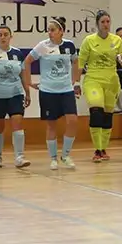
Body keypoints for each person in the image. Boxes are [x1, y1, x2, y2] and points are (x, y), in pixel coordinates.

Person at [24, 17, 81, 170]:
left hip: (66, 90)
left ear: (61, 31)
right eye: (48, 30)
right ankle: (54, 158)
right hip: (48, 91)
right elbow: (27, 61)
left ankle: (66, 155)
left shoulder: (69, 46)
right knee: (51, 125)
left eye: (53, 30)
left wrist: (75, 80)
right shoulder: (42, 46)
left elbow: (76, 61)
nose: (50, 33)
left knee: (73, 121)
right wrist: (29, 82)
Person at [79, 10, 122, 162]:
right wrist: (74, 83)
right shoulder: (89, 41)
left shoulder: (117, 40)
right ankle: (97, 149)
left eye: (108, 22)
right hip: (93, 79)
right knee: (96, 110)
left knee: (108, 115)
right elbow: (80, 63)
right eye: (103, 22)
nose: (106, 25)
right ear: (97, 24)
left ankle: (103, 149)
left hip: (111, 81)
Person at [0, 26, 32, 169]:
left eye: (6, 34)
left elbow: (22, 74)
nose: (3, 37)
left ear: (10, 36)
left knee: (17, 123)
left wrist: (27, 92)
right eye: (0, 35)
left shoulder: (17, 54)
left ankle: (19, 157)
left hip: (15, 94)